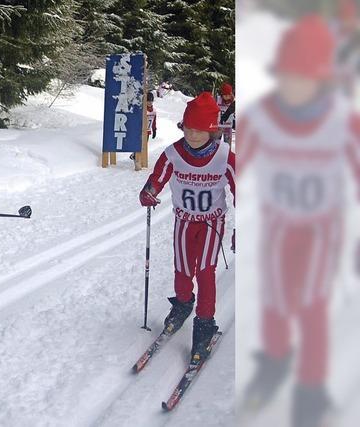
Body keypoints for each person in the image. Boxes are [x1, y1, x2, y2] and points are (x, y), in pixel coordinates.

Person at [237, 15, 360, 426]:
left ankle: (310, 389)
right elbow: (238, 167)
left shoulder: (344, 120)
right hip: (277, 228)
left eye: (305, 76)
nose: (295, 85)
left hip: (322, 230)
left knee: (311, 308)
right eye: (288, 75)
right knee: (274, 301)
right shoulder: (259, 117)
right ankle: (274, 360)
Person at [139, 92, 236, 363]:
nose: (193, 136)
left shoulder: (225, 157)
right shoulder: (174, 153)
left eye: (200, 130)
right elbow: (156, 178)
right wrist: (149, 192)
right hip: (184, 220)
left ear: (212, 131)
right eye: (189, 129)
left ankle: (205, 321)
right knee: (182, 269)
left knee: (205, 271)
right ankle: (183, 303)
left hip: (211, 222)